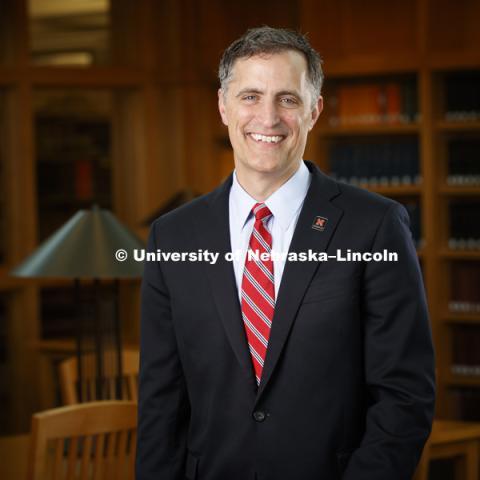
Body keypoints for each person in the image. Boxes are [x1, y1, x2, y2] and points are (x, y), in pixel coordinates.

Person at [136, 26, 435, 480]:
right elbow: (161, 398)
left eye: (288, 99)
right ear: (223, 106)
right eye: (251, 96)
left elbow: (405, 394)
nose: (268, 118)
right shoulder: (173, 236)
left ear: (314, 110)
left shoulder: (373, 226)